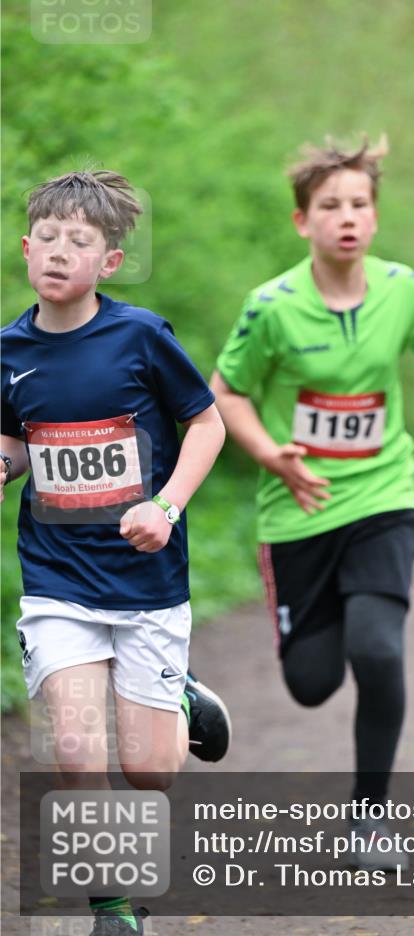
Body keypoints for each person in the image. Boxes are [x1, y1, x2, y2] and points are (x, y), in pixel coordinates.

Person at [210, 136, 414, 870]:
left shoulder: (403, 289)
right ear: (300, 221)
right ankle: (319, 616)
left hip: (381, 497)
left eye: (359, 204)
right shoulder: (270, 307)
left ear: (374, 217)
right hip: (298, 507)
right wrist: (270, 453)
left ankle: (368, 820)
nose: (346, 217)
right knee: (311, 686)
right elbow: (226, 393)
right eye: (329, 205)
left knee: (378, 648)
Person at [0, 170, 230, 935]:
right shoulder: (7, 352)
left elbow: (206, 426)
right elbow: (17, 442)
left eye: (82, 240)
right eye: (51, 237)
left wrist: (165, 506)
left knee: (150, 769)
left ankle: (185, 696)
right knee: (72, 747)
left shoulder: (140, 336)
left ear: (110, 261)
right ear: (27, 247)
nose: (61, 252)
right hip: (57, 580)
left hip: (147, 584)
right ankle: (115, 909)